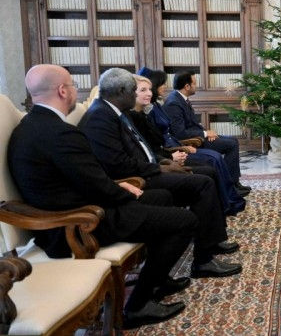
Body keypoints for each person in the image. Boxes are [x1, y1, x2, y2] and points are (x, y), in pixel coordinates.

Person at [8, 64, 196, 328]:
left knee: (161, 197)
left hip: (76, 210)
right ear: (63, 91)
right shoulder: (58, 133)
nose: (75, 91)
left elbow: (85, 179)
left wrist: (122, 187)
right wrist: (126, 193)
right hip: (76, 226)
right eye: (73, 85)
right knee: (183, 222)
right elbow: (95, 185)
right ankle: (138, 306)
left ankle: (159, 280)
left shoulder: (36, 125)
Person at [79, 68, 242, 278]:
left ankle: (210, 244)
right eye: (134, 90)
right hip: (137, 179)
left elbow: (143, 148)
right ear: (121, 91)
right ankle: (203, 259)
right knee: (203, 182)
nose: (140, 95)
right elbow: (118, 165)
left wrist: (164, 160)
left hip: (148, 169)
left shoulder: (114, 112)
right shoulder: (100, 117)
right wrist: (161, 166)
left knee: (206, 176)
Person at [131, 71, 246, 216]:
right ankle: (229, 195)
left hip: (180, 144)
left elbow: (187, 126)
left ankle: (231, 189)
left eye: (149, 89)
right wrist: (195, 139)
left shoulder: (158, 105)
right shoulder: (170, 103)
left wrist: (204, 132)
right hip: (176, 148)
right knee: (215, 157)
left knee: (228, 145)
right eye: (162, 84)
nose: (165, 86)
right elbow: (175, 134)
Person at [163, 71, 251, 196]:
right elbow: (180, 133)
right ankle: (231, 185)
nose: (196, 86)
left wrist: (207, 133)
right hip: (193, 141)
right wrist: (204, 134)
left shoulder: (180, 99)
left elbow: (191, 124)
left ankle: (233, 183)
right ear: (187, 86)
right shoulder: (174, 103)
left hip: (198, 136)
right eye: (194, 83)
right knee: (231, 144)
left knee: (233, 141)